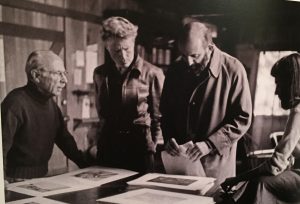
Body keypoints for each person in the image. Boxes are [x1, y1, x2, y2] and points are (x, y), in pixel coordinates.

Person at [160, 21, 252, 184]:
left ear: (209, 47)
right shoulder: (176, 69)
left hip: (216, 167)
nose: (188, 62)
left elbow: (242, 118)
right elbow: (166, 112)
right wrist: (169, 138)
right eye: (183, 55)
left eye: (195, 56)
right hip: (181, 166)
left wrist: (209, 144)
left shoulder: (233, 69)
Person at [221, 53, 300, 204]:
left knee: (260, 183)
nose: (276, 91)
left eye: (279, 83)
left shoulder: (298, 111)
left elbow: (274, 165)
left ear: (290, 83)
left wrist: (237, 178)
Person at [1, 50, 88, 183]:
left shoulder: (51, 105)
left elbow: (65, 141)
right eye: (58, 74)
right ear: (36, 76)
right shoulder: (15, 103)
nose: (64, 80)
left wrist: (88, 164)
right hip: (13, 181)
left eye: (65, 73)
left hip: (40, 179)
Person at [93, 16, 165, 173]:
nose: (123, 56)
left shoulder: (153, 73)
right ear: (106, 47)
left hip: (140, 151)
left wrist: (152, 146)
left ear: (134, 44)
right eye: (116, 51)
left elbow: (159, 118)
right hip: (109, 149)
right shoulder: (100, 74)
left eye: (127, 49)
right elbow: (102, 115)